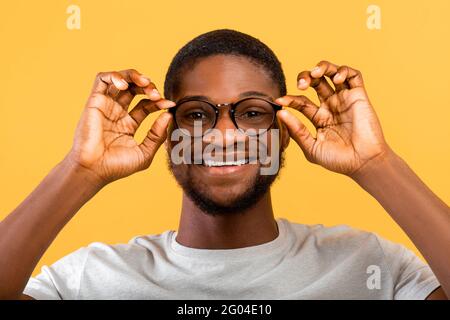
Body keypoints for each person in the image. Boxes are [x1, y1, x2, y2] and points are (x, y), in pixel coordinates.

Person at [0, 29, 448, 300]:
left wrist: (376, 163)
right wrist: (81, 169)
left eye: (252, 113)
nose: (224, 134)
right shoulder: (90, 278)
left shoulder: (369, 267)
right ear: (166, 131)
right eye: (197, 114)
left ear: (285, 131)